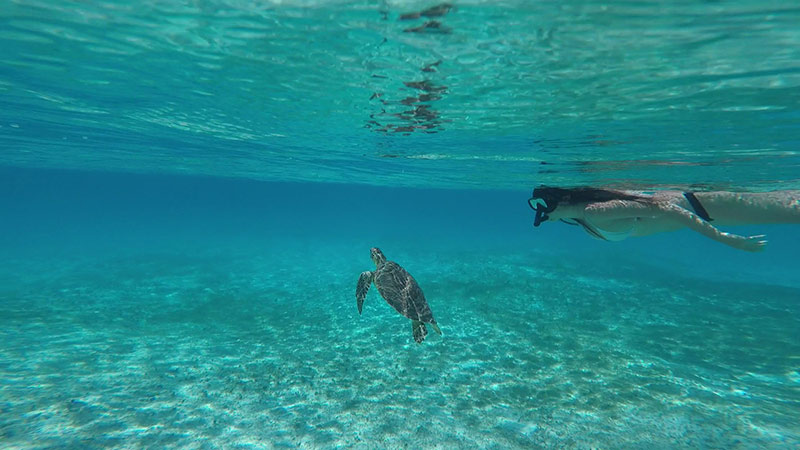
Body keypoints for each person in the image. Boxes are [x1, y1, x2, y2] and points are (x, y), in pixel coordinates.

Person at [528, 186, 800, 252]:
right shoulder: (581, 217)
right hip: (705, 208)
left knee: (793, 210)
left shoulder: (593, 212)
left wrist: (728, 241)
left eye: (542, 205)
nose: (540, 211)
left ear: (563, 200)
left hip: (704, 206)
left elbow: (668, 210)